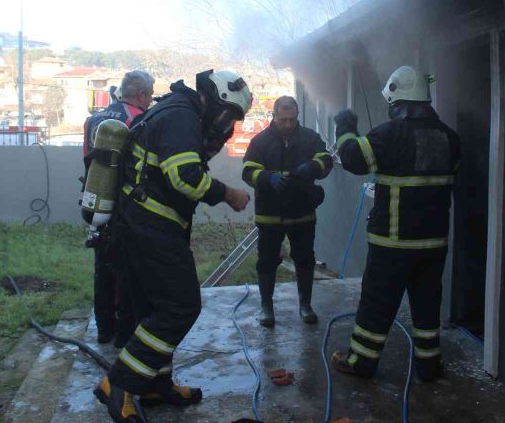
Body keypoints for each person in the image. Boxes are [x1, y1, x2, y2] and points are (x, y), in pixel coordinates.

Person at [93, 70, 253, 422]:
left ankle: (154, 384)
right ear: (212, 99)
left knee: (154, 309)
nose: (228, 125)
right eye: (227, 115)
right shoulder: (182, 116)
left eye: (234, 121)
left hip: (142, 225)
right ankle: (118, 384)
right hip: (151, 227)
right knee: (180, 307)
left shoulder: (179, 111)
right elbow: (185, 177)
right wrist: (229, 194)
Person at [330, 65, 460, 383]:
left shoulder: (390, 134)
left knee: (377, 303)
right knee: (427, 306)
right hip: (433, 244)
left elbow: (351, 158)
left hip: (393, 243)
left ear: (398, 98)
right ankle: (429, 365)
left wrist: (345, 126)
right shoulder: (450, 138)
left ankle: (361, 360)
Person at [241, 96, 332, 327]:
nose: (288, 125)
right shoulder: (260, 142)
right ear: (274, 116)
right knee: (267, 261)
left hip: (302, 212)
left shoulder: (310, 138)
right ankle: (266, 307)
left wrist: (313, 167)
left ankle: (305, 305)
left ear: (297, 115)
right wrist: (266, 178)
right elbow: (248, 170)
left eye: (292, 120)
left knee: (305, 259)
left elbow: (325, 160)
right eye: (283, 120)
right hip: (270, 214)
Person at [84, 69, 155, 347]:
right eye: (149, 96)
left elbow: (87, 160)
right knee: (127, 270)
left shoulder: (94, 119)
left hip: (96, 201)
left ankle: (104, 329)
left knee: (102, 268)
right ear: (141, 95)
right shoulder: (138, 119)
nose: (150, 102)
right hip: (125, 208)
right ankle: (124, 334)